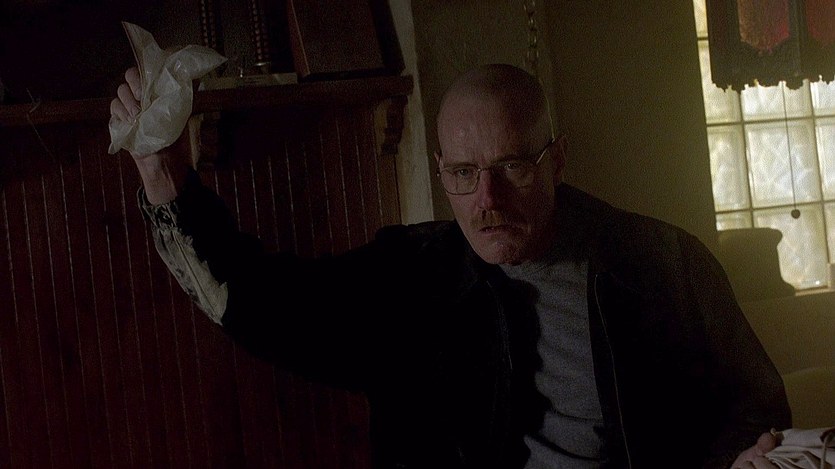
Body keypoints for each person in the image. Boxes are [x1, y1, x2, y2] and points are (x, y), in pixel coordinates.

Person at [110, 63, 791, 468]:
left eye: (511, 167)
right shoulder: (409, 279)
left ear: (555, 159)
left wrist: (745, 456)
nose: (486, 200)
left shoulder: (662, 264)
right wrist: (164, 176)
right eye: (463, 174)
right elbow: (265, 306)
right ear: (440, 171)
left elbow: (753, 407)